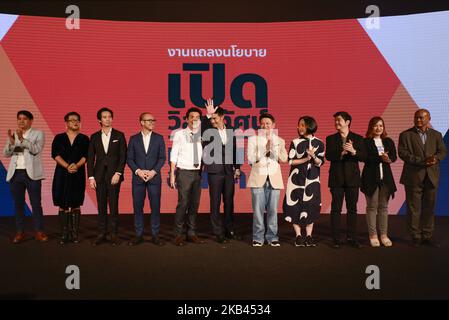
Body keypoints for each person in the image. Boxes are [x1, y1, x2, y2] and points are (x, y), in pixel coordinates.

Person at [398, 109, 447, 247]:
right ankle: (415, 236)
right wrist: (421, 161)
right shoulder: (405, 134)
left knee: (429, 207)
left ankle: (427, 235)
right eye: (416, 118)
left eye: (421, 118)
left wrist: (436, 159)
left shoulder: (436, 135)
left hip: (431, 176)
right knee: (414, 208)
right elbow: (403, 153)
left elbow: (442, 151)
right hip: (413, 176)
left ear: (428, 118)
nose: (418, 120)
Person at [3, 110, 48, 244]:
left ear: (31, 121)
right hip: (16, 173)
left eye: (24, 119)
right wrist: (12, 142)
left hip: (32, 174)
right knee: (18, 205)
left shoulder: (38, 133)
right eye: (19, 119)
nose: (21, 121)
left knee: (36, 204)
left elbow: (35, 150)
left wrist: (22, 139)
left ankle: (39, 232)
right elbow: (7, 154)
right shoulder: (14, 135)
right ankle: (20, 232)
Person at [202, 99, 241, 243]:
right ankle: (218, 232)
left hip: (228, 171)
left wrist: (237, 167)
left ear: (223, 117)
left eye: (215, 118)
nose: (213, 121)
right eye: (212, 118)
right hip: (215, 171)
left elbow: (235, 150)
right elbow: (201, 128)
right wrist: (208, 114)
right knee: (215, 202)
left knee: (229, 202)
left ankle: (229, 229)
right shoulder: (208, 131)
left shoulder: (230, 131)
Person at [325, 111, 366, 249]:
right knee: (336, 209)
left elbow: (364, 156)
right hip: (336, 178)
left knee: (352, 209)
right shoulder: (331, 138)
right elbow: (329, 156)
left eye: (339, 120)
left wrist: (353, 151)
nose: (336, 123)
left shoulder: (358, 138)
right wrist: (341, 152)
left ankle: (351, 237)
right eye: (335, 120)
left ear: (347, 122)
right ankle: (336, 239)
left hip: (352, 179)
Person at [87, 107, 127, 246]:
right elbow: (90, 158)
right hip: (99, 176)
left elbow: (123, 156)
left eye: (110, 116)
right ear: (99, 120)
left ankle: (114, 234)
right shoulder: (94, 136)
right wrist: (91, 177)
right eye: (104, 117)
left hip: (114, 176)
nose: (107, 119)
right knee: (101, 205)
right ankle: (102, 233)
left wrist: (118, 173)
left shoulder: (119, 135)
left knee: (114, 206)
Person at [283, 116, 325, 247]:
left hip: (312, 179)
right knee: (294, 205)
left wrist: (313, 157)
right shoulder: (295, 142)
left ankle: (309, 235)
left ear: (310, 126)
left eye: (302, 125)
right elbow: (290, 161)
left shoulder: (319, 143)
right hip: (296, 179)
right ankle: (298, 236)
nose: (299, 127)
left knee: (311, 204)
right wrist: (306, 158)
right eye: (299, 125)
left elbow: (320, 162)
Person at [247, 113, 288, 247]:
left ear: (273, 125)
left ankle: (272, 237)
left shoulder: (280, 140)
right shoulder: (253, 139)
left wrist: (273, 150)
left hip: (274, 179)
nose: (265, 126)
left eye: (268, 124)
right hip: (258, 178)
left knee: (272, 210)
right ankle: (258, 237)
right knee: (258, 211)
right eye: (263, 123)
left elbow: (284, 159)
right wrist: (264, 149)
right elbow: (251, 159)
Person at [127, 113, 166, 246]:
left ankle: (155, 235)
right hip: (138, 179)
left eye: (153, 120)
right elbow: (129, 159)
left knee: (155, 207)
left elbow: (162, 158)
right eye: (149, 120)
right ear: (141, 122)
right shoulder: (133, 139)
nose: (152, 122)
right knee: (138, 207)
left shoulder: (159, 138)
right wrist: (138, 171)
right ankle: (139, 235)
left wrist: (153, 172)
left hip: (154, 179)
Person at [51, 112, 89, 245]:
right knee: (62, 203)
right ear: (66, 123)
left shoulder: (84, 138)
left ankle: (74, 234)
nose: (75, 122)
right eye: (72, 120)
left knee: (76, 203)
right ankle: (64, 234)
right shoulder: (59, 138)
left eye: (77, 120)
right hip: (62, 174)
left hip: (78, 174)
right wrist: (67, 166)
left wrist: (77, 165)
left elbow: (86, 156)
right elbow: (55, 155)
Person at [170, 107, 205, 246]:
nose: (194, 119)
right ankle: (178, 234)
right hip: (184, 172)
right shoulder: (179, 134)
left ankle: (191, 233)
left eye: (197, 117)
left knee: (194, 204)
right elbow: (174, 154)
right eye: (192, 116)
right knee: (183, 203)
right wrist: (172, 174)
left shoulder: (203, 134)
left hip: (198, 172)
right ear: (186, 119)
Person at [361, 117, 397, 247]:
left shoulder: (388, 141)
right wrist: (380, 157)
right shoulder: (365, 142)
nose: (379, 128)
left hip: (386, 179)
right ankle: (373, 235)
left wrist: (388, 159)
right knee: (372, 207)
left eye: (381, 126)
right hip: (370, 179)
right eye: (376, 126)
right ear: (371, 127)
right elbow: (365, 157)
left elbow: (394, 156)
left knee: (383, 208)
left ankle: (383, 235)